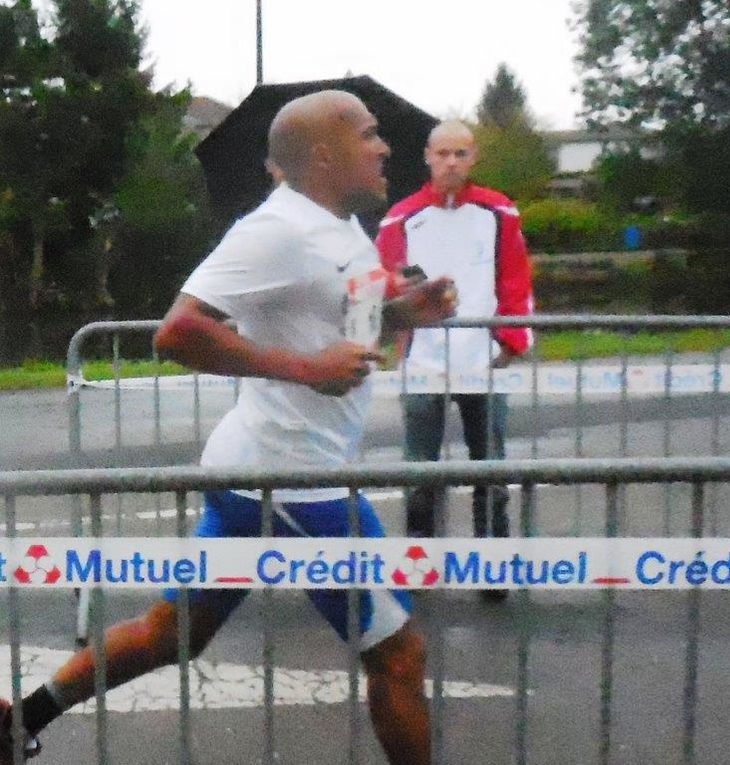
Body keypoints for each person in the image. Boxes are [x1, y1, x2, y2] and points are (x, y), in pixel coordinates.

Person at [0, 90, 458, 765]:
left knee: (175, 631)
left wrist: (401, 314)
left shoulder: (338, 227)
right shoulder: (275, 229)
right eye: (370, 135)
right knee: (399, 652)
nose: (385, 147)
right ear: (325, 157)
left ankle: (18, 722)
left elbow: (334, 326)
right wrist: (304, 369)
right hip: (296, 479)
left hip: (259, 469)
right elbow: (177, 331)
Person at [376, 120, 533, 556]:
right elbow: (383, 285)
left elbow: (516, 278)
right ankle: (420, 560)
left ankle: (494, 561)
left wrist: (511, 342)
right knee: (420, 471)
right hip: (423, 363)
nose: (450, 163)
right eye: (442, 154)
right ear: (428, 157)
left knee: (489, 469)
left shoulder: (499, 211)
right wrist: (395, 341)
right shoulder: (401, 216)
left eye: (459, 154)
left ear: (473, 158)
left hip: (482, 360)